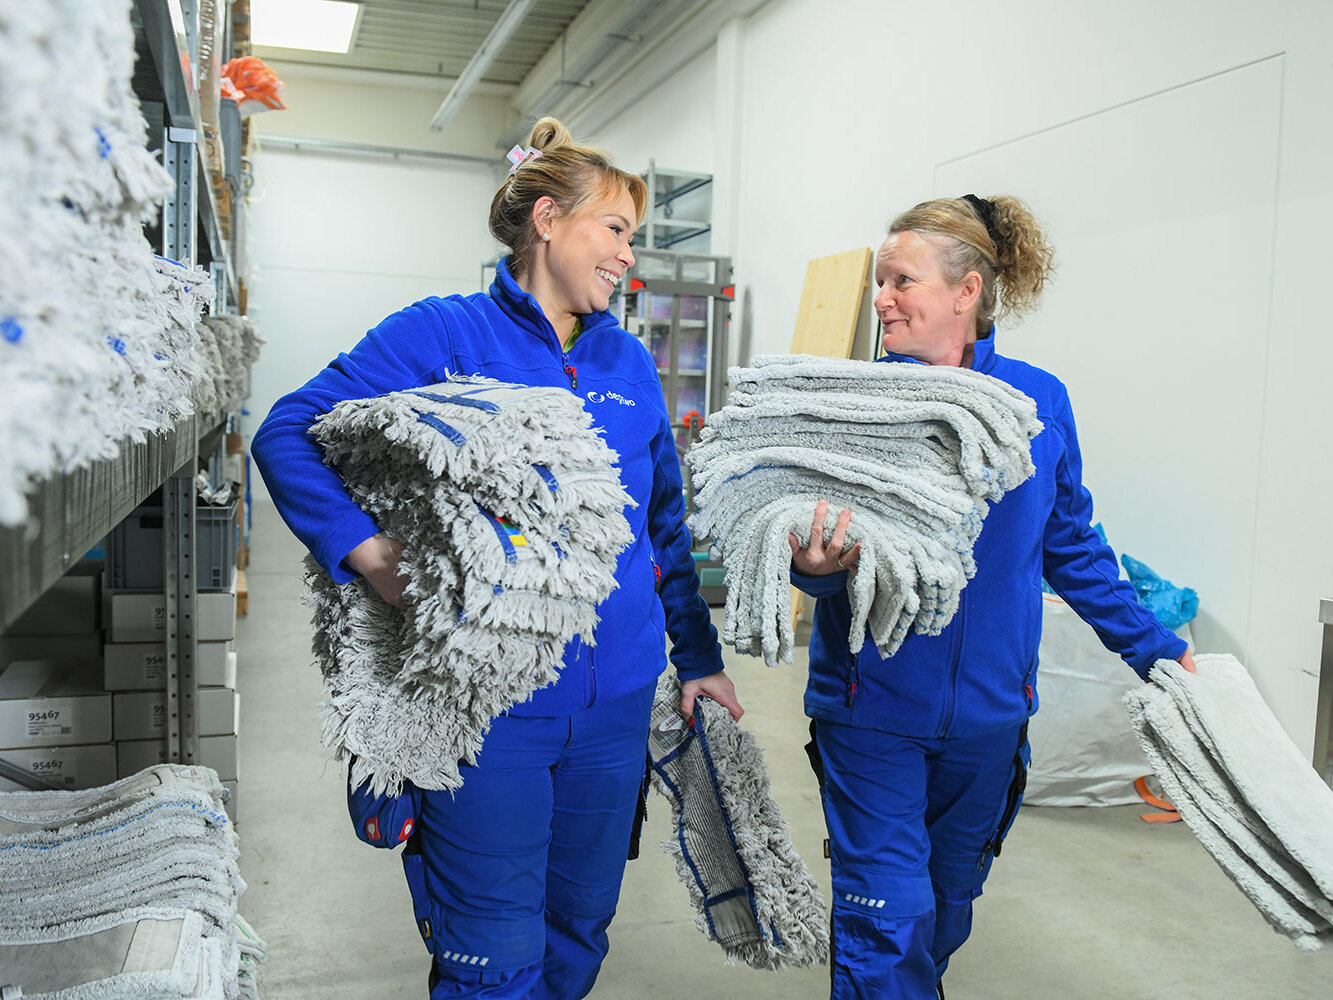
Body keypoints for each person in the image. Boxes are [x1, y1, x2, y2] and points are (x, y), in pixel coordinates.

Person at [251, 117, 741, 1000]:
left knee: (578, 931)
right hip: (489, 707)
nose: (628, 254)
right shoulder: (442, 334)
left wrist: (698, 659)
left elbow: (662, 526)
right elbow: (287, 429)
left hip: (615, 705)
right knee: (489, 954)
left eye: (634, 235)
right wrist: (364, 551)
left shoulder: (628, 359)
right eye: (615, 229)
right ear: (547, 220)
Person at [787, 194, 1196, 1000]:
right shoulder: (855, 401)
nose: (881, 299)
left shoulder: (1037, 401)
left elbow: (1069, 544)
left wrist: (1156, 649)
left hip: (989, 717)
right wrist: (816, 569)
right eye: (879, 281)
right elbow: (806, 550)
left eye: (901, 281)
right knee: (886, 915)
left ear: (965, 291)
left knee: (944, 909)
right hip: (872, 710)